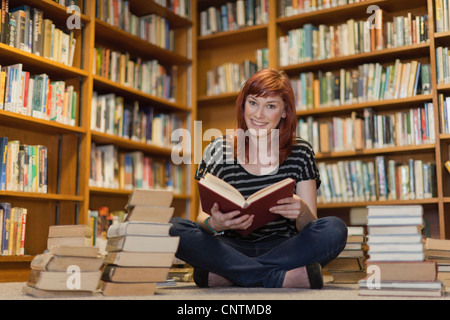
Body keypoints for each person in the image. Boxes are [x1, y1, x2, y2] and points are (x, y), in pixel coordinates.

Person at [169, 68, 348, 289]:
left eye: (270, 106)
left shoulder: (300, 151)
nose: (259, 115)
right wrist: (214, 223)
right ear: (243, 104)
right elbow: (201, 218)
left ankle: (230, 274)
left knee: (334, 229)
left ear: (284, 112)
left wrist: (301, 211)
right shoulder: (218, 149)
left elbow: (311, 226)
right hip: (230, 246)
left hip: (285, 247)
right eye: (253, 103)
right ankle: (278, 278)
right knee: (174, 227)